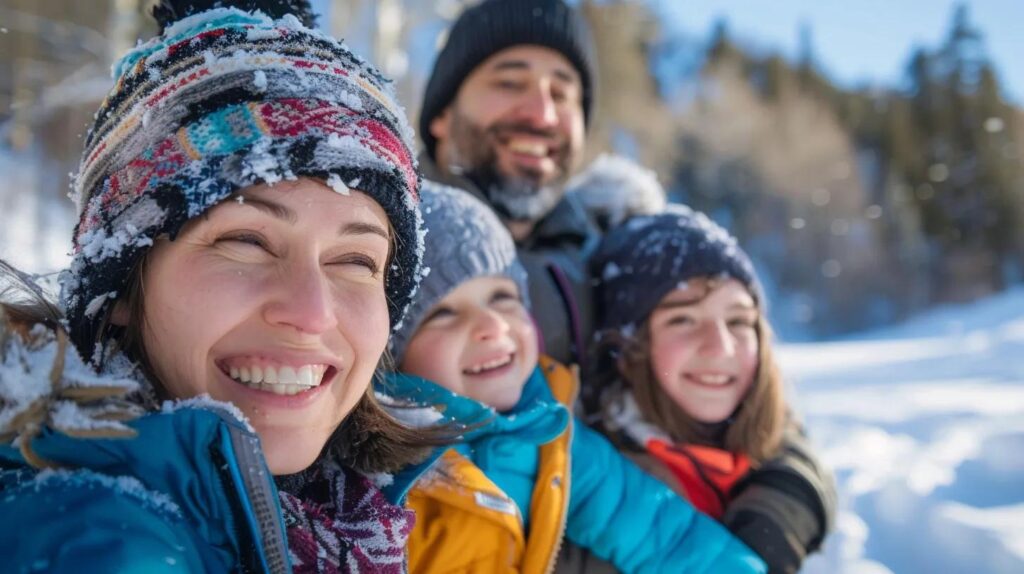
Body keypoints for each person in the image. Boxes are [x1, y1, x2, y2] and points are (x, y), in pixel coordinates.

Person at [0, 3, 443, 571]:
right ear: (123, 286)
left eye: (356, 259)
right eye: (246, 242)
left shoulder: (370, 513)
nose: (311, 313)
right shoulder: (87, 539)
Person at [379, 182, 767, 573]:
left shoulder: (553, 432)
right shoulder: (380, 468)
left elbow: (661, 533)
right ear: (391, 350)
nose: (493, 326)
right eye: (444, 314)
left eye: (503, 298)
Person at [589, 207, 836, 573]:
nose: (720, 347)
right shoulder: (599, 481)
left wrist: (771, 525)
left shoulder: (771, 438)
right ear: (628, 349)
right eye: (683, 319)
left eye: (737, 321)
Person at [418, 0, 599, 368]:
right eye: (510, 83)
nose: (542, 114)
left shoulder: (605, 258)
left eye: (562, 94)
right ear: (442, 114)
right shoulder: (379, 243)